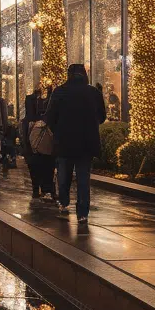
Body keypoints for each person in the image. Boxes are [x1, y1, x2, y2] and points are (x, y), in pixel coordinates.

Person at [45, 63, 107, 224]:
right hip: (86, 143)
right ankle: (82, 213)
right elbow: (102, 117)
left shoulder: (60, 92)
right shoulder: (93, 92)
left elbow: (50, 117)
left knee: (64, 175)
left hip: (65, 142)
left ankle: (64, 202)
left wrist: (59, 129)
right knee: (83, 178)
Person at [21, 85, 55, 199]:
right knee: (47, 164)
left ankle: (37, 189)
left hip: (34, 142)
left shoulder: (28, 119)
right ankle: (47, 189)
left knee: (34, 165)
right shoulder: (45, 112)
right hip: (43, 141)